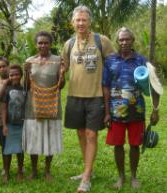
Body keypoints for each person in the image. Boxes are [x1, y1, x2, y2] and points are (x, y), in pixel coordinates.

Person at [61, 5, 115, 192]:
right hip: (75, 95)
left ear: (90, 21)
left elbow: (113, 65)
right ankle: (88, 169)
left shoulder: (102, 41)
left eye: (84, 19)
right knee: (81, 134)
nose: (81, 23)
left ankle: (86, 177)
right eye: (78, 20)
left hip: (96, 96)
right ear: (73, 23)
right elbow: (63, 68)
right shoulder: (68, 44)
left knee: (92, 135)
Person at [102, 27, 160, 189]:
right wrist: (106, 112)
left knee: (135, 144)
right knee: (118, 145)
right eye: (121, 40)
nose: (124, 42)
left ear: (133, 41)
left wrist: (156, 110)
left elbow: (155, 85)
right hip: (115, 112)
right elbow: (105, 86)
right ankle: (121, 177)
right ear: (117, 42)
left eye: (127, 39)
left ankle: (134, 176)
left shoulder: (142, 61)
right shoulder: (110, 61)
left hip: (137, 111)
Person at [23, 31, 65, 181]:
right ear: (36, 44)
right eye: (40, 43)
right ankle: (34, 171)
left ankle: (47, 171)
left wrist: (63, 73)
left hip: (51, 105)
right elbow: (25, 86)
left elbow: (61, 86)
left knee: (50, 137)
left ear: (50, 44)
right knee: (34, 138)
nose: (43, 45)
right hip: (32, 105)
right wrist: (26, 72)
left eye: (46, 42)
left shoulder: (58, 61)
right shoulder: (30, 61)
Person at [1, 65, 25, 183]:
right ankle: (6, 171)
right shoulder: (7, 90)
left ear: (21, 75)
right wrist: (4, 125)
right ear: (8, 77)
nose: (14, 77)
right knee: (7, 150)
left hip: (21, 124)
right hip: (10, 124)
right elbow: (4, 108)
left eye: (17, 74)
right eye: (11, 75)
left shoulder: (25, 89)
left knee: (20, 149)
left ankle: (20, 171)